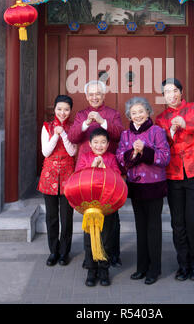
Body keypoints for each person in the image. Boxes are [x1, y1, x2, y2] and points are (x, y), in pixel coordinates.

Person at [155, 78, 194, 281]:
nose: (171, 95)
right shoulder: (161, 118)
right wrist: (170, 132)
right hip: (173, 174)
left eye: (174, 91)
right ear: (163, 96)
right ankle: (183, 264)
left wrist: (187, 124)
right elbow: (161, 145)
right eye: (166, 92)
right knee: (178, 222)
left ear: (181, 92)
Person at [68, 80, 124, 267]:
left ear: (103, 95)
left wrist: (102, 122)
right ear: (86, 96)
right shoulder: (81, 115)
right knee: (90, 214)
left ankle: (112, 255)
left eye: (98, 93)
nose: (95, 97)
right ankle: (90, 256)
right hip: (87, 170)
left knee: (111, 217)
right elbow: (73, 136)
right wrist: (85, 124)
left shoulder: (113, 114)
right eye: (91, 94)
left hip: (108, 170)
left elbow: (119, 134)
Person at [116, 97, 170, 285]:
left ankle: (154, 269)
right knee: (141, 228)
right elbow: (121, 160)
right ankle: (141, 267)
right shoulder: (125, 135)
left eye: (141, 111)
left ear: (148, 112)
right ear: (129, 116)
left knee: (153, 228)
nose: (137, 115)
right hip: (136, 187)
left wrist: (145, 151)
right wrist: (134, 153)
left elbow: (164, 157)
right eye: (133, 113)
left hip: (154, 186)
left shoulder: (157, 131)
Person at [75, 127, 122, 287]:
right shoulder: (85, 157)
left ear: (108, 144)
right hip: (90, 207)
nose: (99, 146)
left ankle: (104, 270)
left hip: (107, 206)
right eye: (96, 142)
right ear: (90, 143)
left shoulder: (111, 158)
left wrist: (104, 168)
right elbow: (78, 177)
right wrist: (92, 167)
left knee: (106, 239)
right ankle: (91, 270)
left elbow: (116, 177)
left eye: (103, 142)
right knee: (89, 239)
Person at [38, 95, 77, 266]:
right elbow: (46, 152)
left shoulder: (73, 127)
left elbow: (72, 152)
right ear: (54, 109)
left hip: (68, 174)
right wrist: (55, 135)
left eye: (66, 109)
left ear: (70, 110)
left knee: (66, 217)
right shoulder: (47, 126)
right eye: (59, 109)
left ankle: (64, 252)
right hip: (50, 175)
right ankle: (53, 251)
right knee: (51, 217)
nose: (63, 112)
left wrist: (65, 135)